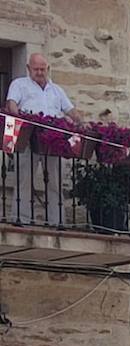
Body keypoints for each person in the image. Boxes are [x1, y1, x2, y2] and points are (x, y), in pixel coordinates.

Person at [5, 53, 80, 225]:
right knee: (24, 179)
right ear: (28, 69)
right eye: (36, 69)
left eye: (43, 69)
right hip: (28, 139)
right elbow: (12, 104)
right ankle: (21, 219)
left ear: (48, 69)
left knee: (55, 181)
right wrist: (20, 123)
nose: (39, 72)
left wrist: (82, 123)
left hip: (52, 141)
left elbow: (70, 110)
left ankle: (56, 222)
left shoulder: (56, 90)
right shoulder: (19, 84)